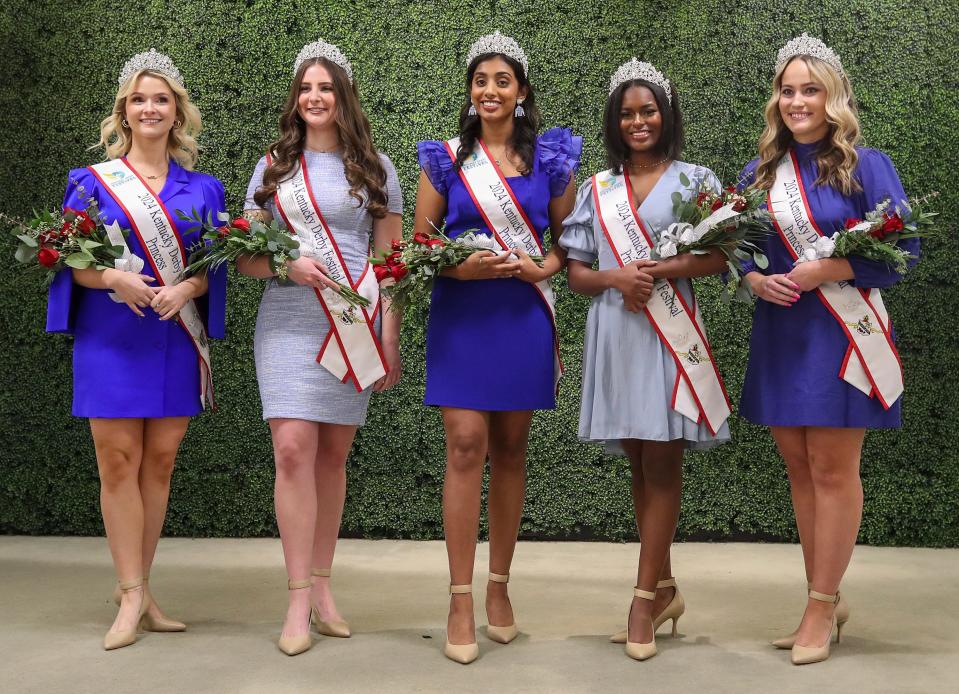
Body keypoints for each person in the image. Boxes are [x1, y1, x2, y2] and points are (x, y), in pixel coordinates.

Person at [737, 34, 918, 665]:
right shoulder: (759, 173)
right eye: (787, 90)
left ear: (833, 96)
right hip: (783, 331)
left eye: (810, 89)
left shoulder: (867, 166)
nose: (796, 101)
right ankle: (827, 593)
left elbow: (903, 257)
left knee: (834, 469)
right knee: (798, 466)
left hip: (844, 333)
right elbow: (743, 252)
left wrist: (826, 270)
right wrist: (756, 278)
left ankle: (819, 606)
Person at [46, 49, 227, 650]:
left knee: (161, 461)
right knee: (117, 459)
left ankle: (144, 590)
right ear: (124, 111)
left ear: (178, 112)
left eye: (162, 99)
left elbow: (210, 267)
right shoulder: (90, 182)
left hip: (174, 332)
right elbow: (70, 261)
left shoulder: (203, 188)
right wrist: (113, 279)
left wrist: (188, 286)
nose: (150, 108)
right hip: (112, 334)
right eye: (139, 99)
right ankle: (129, 594)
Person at [414, 31, 580, 664]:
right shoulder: (446, 161)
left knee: (511, 449)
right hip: (463, 313)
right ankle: (459, 596)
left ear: (521, 91)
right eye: (480, 81)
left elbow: (569, 244)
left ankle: (500, 588)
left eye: (502, 81)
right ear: (471, 91)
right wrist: (460, 270)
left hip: (522, 315)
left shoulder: (552, 160)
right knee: (465, 445)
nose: (490, 91)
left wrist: (546, 267)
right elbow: (416, 249)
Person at [560, 59, 731, 661]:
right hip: (617, 327)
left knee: (662, 461)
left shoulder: (695, 180)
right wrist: (615, 277)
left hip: (668, 332)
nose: (639, 121)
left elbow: (720, 256)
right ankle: (663, 589)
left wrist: (668, 269)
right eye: (628, 113)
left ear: (666, 114)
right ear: (616, 120)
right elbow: (576, 271)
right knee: (638, 458)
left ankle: (640, 601)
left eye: (648, 110)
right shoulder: (597, 188)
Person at [238, 39, 403, 656]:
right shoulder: (273, 167)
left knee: (332, 458)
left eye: (326, 88)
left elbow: (391, 265)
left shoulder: (375, 169)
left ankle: (325, 586)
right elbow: (248, 258)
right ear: (296, 98)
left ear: (343, 98)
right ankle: (297, 597)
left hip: (353, 327)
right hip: (287, 319)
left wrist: (388, 338)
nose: (315, 97)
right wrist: (287, 268)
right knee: (291, 450)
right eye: (306, 88)